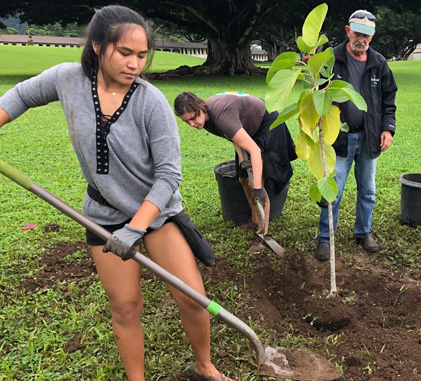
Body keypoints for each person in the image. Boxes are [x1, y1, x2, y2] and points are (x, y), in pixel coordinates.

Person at [0, 6, 229, 381]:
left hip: (156, 213)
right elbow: (20, 96)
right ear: (96, 46)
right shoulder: (67, 80)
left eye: (141, 55)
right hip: (104, 215)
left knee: (192, 297)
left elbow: (170, 175)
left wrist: (136, 228)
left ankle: (203, 367)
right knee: (124, 307)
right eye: (125, 53)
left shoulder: (150, 101)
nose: (135, 64)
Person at [315, 9, 398, 261]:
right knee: (334, 191)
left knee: (368, 191)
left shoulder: (379, 63)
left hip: (369, 137)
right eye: (358, 33)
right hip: (339, 139)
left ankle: (363, 233)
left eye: (367, 35)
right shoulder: (330, 60)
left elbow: (388, 99)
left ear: (372, 37)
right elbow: (316, 94)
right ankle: (325, 238)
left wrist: (388, 128)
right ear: (347, 31)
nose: (361, 39)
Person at [174, 91, 296, 252]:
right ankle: (254, 218)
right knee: (243, 179)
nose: (191, 124)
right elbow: (233, 135)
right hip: (250, 129)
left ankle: (263, 235)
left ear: (201, 107)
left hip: (267, 124)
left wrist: (258, 189)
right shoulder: (206, 118)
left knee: (259, 186)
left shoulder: (221, 117)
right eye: (186, 121)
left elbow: (254, 150)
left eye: (192, 118)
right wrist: (243, 160)